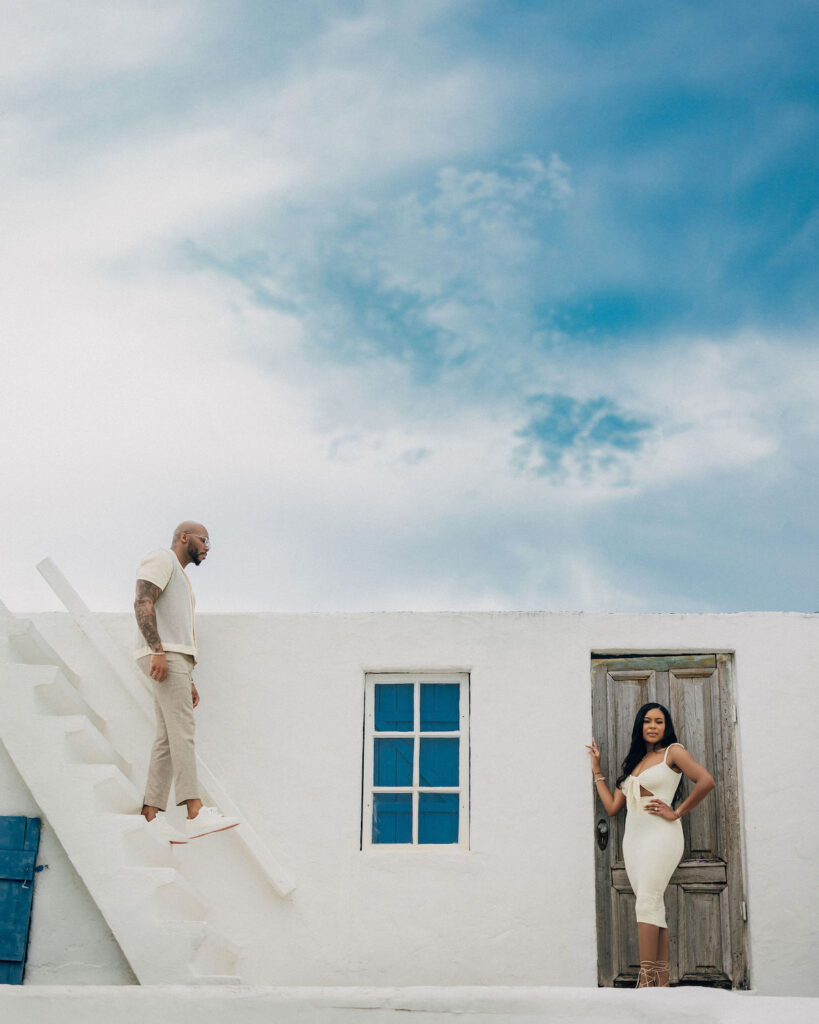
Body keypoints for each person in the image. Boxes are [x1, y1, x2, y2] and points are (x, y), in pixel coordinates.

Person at [586, 702, 715, 988]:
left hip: (662, 836)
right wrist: (597, 769)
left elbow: (706, 781)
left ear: (666, 727)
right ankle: (661, 981)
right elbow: (611, 807)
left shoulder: (674, 752)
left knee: (646, 900)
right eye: (647, 721)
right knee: (652, 902)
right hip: (633, 841)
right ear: (640, 727)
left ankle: (646, 981)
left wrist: (676, 811)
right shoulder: (634, 765)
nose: (653, 726)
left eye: (659, 721)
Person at [133, 521, 239, 843]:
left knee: (167, 738)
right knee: (183, 731)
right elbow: (142, 601)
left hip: (174, 659)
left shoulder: (181, 576)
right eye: (203, 540)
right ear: (184, 538)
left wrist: (187, 676)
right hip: (164, 654)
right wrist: (158, 651)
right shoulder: (163, 559)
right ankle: (194, 811)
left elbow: (174, 623)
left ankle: (150, 816)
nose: (207, 547)